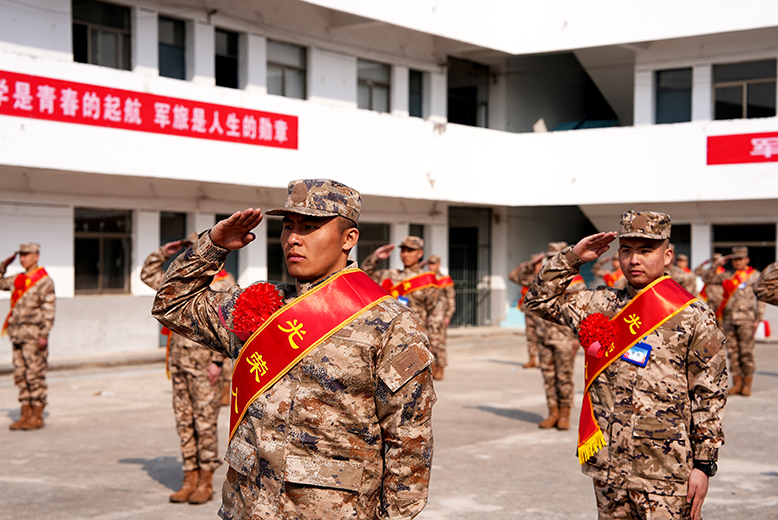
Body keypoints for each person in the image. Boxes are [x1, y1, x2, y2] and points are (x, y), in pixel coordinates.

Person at [152, 179, 435, 520]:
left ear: (349, 239)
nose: (293, 239)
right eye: (288, 227)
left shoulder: (389, 323)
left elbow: (409, 438)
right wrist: (213, 246)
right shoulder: (260, 304)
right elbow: (171, 304)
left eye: (310, 227)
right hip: (248, 505)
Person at [525, 211, 727, 520]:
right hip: (610, 470)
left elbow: (709, 395)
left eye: (646, 251)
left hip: (666, 473)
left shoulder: (693, 316)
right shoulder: (599, 305)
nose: (634, 260)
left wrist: (704, 464)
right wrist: (574, 256)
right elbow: (538, 300)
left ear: (668, 255)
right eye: (627, 250)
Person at [141, 237, 234, 504]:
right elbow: (147, 275)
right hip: (180, 364)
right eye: (191, 250)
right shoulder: (180, 285)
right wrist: (163, 252)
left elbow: (228, 327)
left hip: (205, 367)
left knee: (204, 423)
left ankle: (205, 481)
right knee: (184, 423)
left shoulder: (223, 283)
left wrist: (218, 363)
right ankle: (189, 478)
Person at [362, 236, 446, 380]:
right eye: (403, 250)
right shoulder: (390, 275)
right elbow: (363, 276)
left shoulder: (427, 280)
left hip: (414, 340)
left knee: (411, 386)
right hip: (387, 339)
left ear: (420, 253)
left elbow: (436, 315)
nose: (405, 254)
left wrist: (433, 346)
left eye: (410, 250)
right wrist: (375, 257)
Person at [1, 243, 56, 431]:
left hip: (33, 336)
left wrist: (44, 334)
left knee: (34, 375)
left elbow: (49, 311)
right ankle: (25, 413)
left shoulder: (44, 281)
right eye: (21, 255)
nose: (23, 258)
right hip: (17, 334)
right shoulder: (18, 279)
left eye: (26, 255)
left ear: (36, 256)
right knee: (20, 375)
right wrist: (3, 266)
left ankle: (37, 415)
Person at [533, 242, 586, 431]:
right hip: (543, 336)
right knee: (548, 377)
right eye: (550, 257)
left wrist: (577, 340)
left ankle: (565, 413)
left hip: (564, 337)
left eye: (557, 256)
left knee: (564, 378)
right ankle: (552, 412)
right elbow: (516, 277)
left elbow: (582, 313)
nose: (552, 260)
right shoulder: (542, 279)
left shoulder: (577, 282)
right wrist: (532, 264)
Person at [701, 247, 765, 396]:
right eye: (735, 259)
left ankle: (747, 383)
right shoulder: (727, 275)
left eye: (740, 259)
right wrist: (717, 264)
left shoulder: (755, 276)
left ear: (747, 260)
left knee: (746, 353)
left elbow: (761, 298)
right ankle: (737, 383)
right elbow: (707, 278)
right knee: (732, 352)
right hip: (728, 320)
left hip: (746, 320)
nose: (737, 262)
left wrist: (759, 318)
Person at [508, 252, 545, 369]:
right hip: (529, 311)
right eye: (536, 264)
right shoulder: (527, 277)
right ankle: (532, 359)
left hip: (541, 312)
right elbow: (512, 276)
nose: (538, 266)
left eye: (540, 263)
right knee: (531, 336)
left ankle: (542, 360)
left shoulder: (544, 276)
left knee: (542, 336)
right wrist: (522, 267)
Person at [426, 254, 455, 380]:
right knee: (428, 343)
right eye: (430, 263)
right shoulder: (425, 278)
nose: (431, 266)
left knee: (440, 343)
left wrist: (448, 315)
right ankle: (431, 367)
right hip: (427, 316)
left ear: (439, 264)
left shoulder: (444, 279)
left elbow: (451, 299)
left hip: (440, 316)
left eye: (434, 263)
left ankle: (441, 367)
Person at [695, 253, 724, 319]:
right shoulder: (708, 271)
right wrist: (703, 264)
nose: (716, 262)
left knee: (720, 317)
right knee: (708, 315)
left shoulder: (722, 271)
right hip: (708, 294)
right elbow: (697, 271)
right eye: (714, 260)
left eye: (717, 260)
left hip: (719, 295)